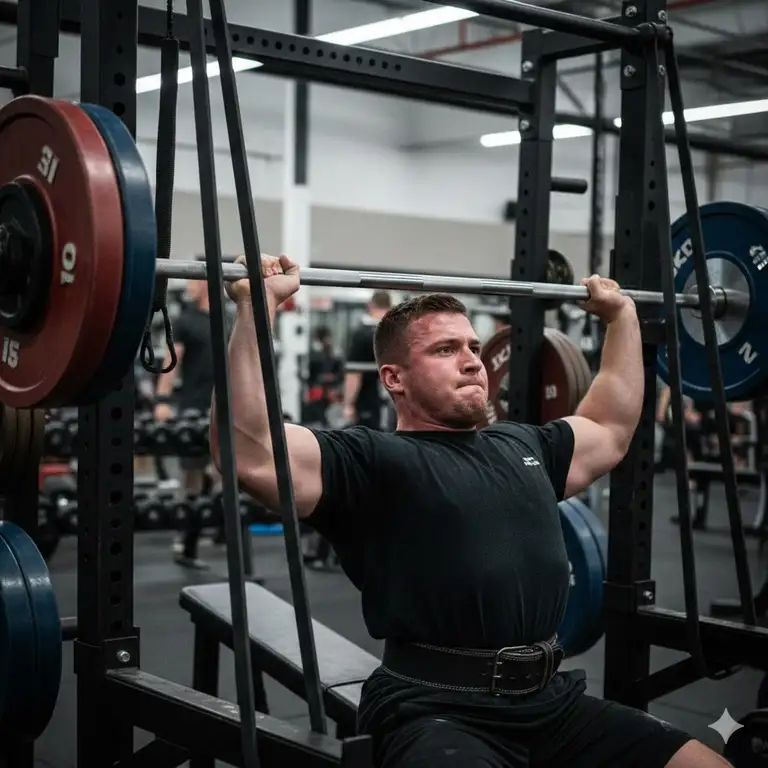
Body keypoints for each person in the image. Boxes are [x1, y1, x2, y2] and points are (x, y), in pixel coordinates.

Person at [211, 253, 729, 768]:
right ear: (395, 378)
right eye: (446, 349)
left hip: (553, 702)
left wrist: (622, 319)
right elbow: (251, 452)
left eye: (475, 347)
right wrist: (257, 309)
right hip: (436, 710)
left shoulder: (522, 444)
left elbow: (611, 426)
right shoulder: (372, 461)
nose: (473, 361)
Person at [155, 272, 218, 569]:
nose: (190, 286)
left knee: (221, 476)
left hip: (220, 409)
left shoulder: (223, 319)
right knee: (193, 480)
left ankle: (216, 531)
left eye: (194, 280)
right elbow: (171, 361)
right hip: (192, 410)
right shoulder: (183, 321)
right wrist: (162, 401)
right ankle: (186, 545)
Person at [343, 290, 392, 429]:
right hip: (395, 402)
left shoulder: (362, 334)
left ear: (370, 305)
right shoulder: (398, 332)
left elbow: (354, 374)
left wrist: (348, 404)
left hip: (368, 401)